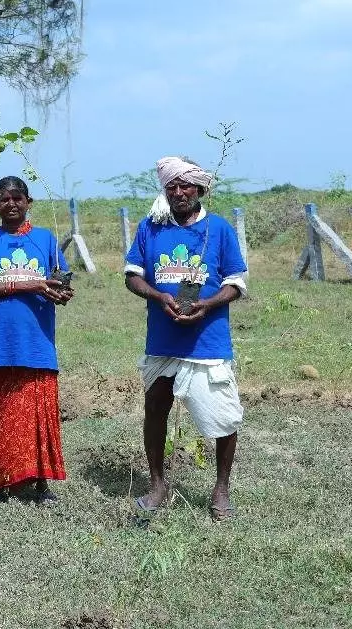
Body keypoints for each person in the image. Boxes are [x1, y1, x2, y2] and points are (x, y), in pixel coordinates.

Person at [124, 157, 247, 520]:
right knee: (155, 410)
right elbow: (132, 276)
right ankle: (158, 484)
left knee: (224, 418)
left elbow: (236, 282)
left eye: (185, 185)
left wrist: (207, 304)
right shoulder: (151, 228)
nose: (178, 192)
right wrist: (159, 296)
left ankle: (221, 489)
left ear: (200, 189)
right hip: (163, 340)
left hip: (207, 341)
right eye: (171, 187)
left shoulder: (219, 229)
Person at [0, 176, 73, 504]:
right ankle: (1, 484)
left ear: (28, 202)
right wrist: (30, 286)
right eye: (3, 199)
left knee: (39, 413)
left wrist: (61, 292)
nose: (11, 204)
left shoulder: (45, 240)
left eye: (17, 198)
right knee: (2, 412)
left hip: (37, 341)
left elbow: (59, 284)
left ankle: (40, 484)